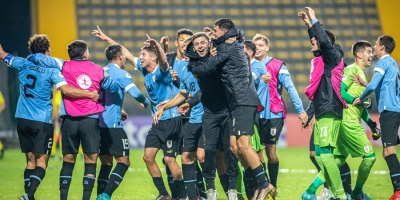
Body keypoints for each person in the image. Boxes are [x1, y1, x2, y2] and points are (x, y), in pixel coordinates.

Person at [0, 34, 98, 200]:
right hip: (42, 121)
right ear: (48, 50)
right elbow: (67, 90)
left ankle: (28, 196)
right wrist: (90, 94)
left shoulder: (22, 63)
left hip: (22, 119)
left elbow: (2, 54)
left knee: (30, 161)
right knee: (42, 163)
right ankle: (28, 195)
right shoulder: (52, 71)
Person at [190, 18, 275, 200]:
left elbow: (207, 67)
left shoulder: (229, 48)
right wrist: (214, 39)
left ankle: (265, 184)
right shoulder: (233, 44)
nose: (214, 33)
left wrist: (193, 63)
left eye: (215, 31)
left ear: (223, 31)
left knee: (243, 146)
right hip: (237, 102)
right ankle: (255, 186)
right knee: (235, 147)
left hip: (243, 100)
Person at [58, 40, 119, 200]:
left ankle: (63, 197)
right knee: (90, 160)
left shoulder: (64, 66)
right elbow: (112, 87)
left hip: (69, 120)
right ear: (85, 54)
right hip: (90, 121)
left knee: (68, 160)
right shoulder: (97, 69)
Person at [298, 7, 348, 200]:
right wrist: (309, 27)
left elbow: (324, 43)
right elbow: (317, 92)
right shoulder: (321, 63)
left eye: (313, 42)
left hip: (330, 110)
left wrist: (314, 20)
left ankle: (340, 195)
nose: (311, 45)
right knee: (320, 157)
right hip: (322, 111)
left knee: (326, 156)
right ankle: (328, 193)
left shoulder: (334, 57)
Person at [91, 42, 149, 200]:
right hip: (112, 125)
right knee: (124, 162)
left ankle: (99, 196)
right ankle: (106, 195)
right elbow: (135, 93)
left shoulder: (100, 72)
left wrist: (119, 109)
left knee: (106, 163)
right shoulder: (121, 74)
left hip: (98, 122)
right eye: (123, 56)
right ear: (119, 56)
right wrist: (145, 101)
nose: (125, 58)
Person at [252, 33, 307, 193]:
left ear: (267, 48)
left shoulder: (277, 65)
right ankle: (264, 186)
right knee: (256, 152)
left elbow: (290, 87)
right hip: (255, 114)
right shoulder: (249, 65)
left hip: (273, 114)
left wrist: (300, 110)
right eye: (255, 46)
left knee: (271, 153)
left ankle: (273, 187)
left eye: (261, 45)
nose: (258, 48)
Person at [154, 35, 204, 200]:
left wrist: (188, 102)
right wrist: (165, 106)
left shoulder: (204, 66)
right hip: (189, 119)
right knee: (184, 157)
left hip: (208, 118)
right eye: (183, 42)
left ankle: (207, 193)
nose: (186, 46)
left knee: (205, 157)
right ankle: (193, 196)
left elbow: (199, 92)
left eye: (190, 44)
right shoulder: (182, 68)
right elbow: (183, 93)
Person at [330, 40, 381, 200]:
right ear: (359, 54)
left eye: (372, 51)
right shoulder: (351, 70)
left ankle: (311, 190)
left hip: (351, 120)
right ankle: (357, 192)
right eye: (368, 51)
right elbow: (340, 90)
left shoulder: (361, 74)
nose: (371, 54)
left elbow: (361, 107)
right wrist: (355, 100)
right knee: (370, 157)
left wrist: (372, 125)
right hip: (349, 122)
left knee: (337, 160)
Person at [354, 35, 400, 200]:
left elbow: (374, 85)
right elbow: (385, 85)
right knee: (388, 152)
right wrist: (365, 84)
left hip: (388, 111)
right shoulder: (393, 63)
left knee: (388, 151)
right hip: (395, 109)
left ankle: (398, 191)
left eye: (376, 44)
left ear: (382, 47)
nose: (374, 47)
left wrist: (361, 97)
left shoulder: (382, 62)